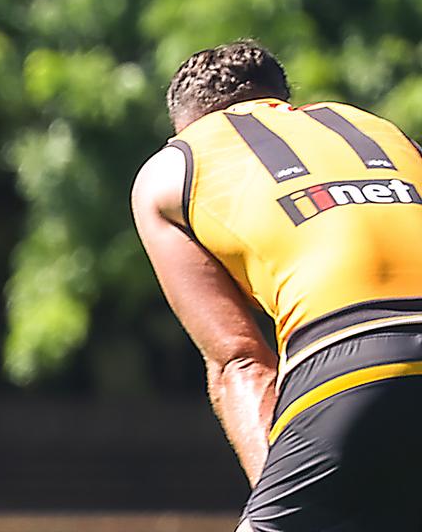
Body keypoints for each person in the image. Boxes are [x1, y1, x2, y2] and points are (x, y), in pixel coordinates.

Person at [131, 39, 422, 531]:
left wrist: (280, 504)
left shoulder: (172, 168)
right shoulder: (383, 131)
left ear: (184, 124)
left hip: (350, 364)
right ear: (282, 99)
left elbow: (239, 362)